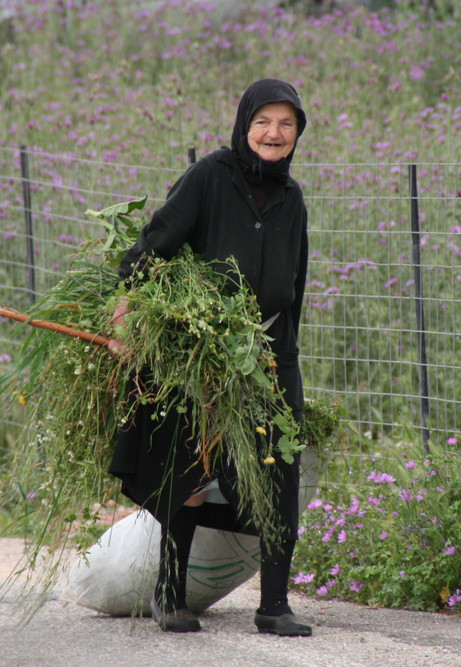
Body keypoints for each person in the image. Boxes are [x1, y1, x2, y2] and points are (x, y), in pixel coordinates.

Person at [106, 79, 311, 637]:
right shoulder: (210, 178)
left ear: (298, 133)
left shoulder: (293, 200)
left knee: (278, 472)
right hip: (200, 353)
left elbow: (296, 286)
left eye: (286, 124)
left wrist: (285, 368)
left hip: (266, 357)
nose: (274, 134)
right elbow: (155, 244)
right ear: (245, 125)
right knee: (188, 468)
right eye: (263, 122)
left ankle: (273, 606)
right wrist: (125, 313)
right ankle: (169, 594)